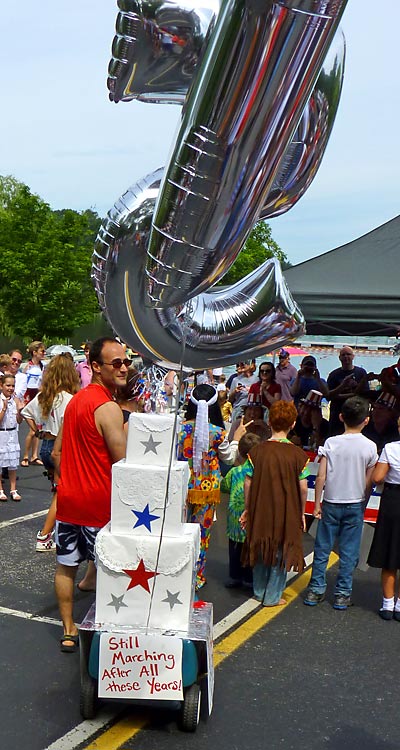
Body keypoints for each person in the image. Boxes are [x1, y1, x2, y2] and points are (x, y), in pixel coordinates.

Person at [53, 337, 128, 652]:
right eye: (117, 363)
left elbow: (56, 454)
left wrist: (70, 479)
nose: (124, 367)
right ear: (96, 367)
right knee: (112, 569)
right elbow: (123, 463)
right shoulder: (108, 407)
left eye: (126, 362)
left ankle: (68, 629)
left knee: (65, 566)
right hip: (99, 504)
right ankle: (105, 632)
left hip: (70, 501)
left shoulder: (74, 402)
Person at [304, 396, 377, 610]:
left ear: (341, 417)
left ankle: (316, 590)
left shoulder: (331, 443)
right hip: (355, 502)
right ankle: (342, 594)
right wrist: (362, 500)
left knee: (323, 547)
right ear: (366, 420)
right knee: (349, 551)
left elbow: (321, 477)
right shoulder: (370, 447)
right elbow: (368, 480)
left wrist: (317, 503)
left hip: (331, 501)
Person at [240, 400, 309, 606]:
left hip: (261, 507)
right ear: (293, 424)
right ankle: (272, 596)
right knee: (280, 551)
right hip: (286, 509)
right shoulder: (299, 455)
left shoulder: (256, 452)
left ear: (269, 422)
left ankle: (259, 591)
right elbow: (303, 487)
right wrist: (302, 513)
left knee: (260, 547)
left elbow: (248, 482)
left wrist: (247, 508)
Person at [177, 383, 246, 590]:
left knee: (179, 530)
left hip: (181, 486)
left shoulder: (179, 428)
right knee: (201, 534)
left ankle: (177, 572)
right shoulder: (218, 433)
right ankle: (196, 577)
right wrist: (236, 439)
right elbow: (231, 458)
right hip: (207, 491)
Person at [21, 355, 81, 551]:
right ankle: (44, 535)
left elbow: (25, 413)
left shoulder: (43, 397)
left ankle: (59, 527)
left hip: (45, 445)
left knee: (59, 490)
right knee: (61, 492)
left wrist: (37, 430)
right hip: (60, 448)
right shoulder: (70, 400)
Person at [367, 421, 400, 620]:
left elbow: (378, 477)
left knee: (390, 552)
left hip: (393, 501)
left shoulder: (391, 448)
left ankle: (387, 604)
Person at [221, 432, 262, 589]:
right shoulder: (258, 472)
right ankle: (249, 578)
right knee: (250, 547)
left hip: (234, 517)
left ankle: (234, 576)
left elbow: (224, 486)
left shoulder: (234, 472)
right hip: (252, 515)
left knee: (234, 548)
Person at [327, 346, 368, 436]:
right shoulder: (334, 375)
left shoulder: (361, 373)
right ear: (339, 358)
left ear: (353, 356)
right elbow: (329, 396)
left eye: (348, 354)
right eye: (343, 355)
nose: (346, 357)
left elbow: (365, 394)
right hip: (337, 414)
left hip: (356, 414)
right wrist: (343, 386)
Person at [21, 340, 46, 467]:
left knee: (38, 428)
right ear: (34, 352)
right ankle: (26, 455)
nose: (44, 353)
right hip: (29, 398)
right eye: (42, 351)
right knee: (32, 430)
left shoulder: (42, 366)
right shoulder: (28, 367)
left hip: (38, 398)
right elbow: (24, 384)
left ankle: (34, 455)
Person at [0, 374, 24, 501]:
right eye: (8, 385)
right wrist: (4, 408)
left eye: (13, 386)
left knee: (12, 463)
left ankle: (13, 489)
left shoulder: (15, 401)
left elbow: (19, 421)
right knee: (0, 461)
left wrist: (20, 411)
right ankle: (1, 490)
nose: (10, 388)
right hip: (1, 433)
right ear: (1, 385)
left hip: (12, 433)